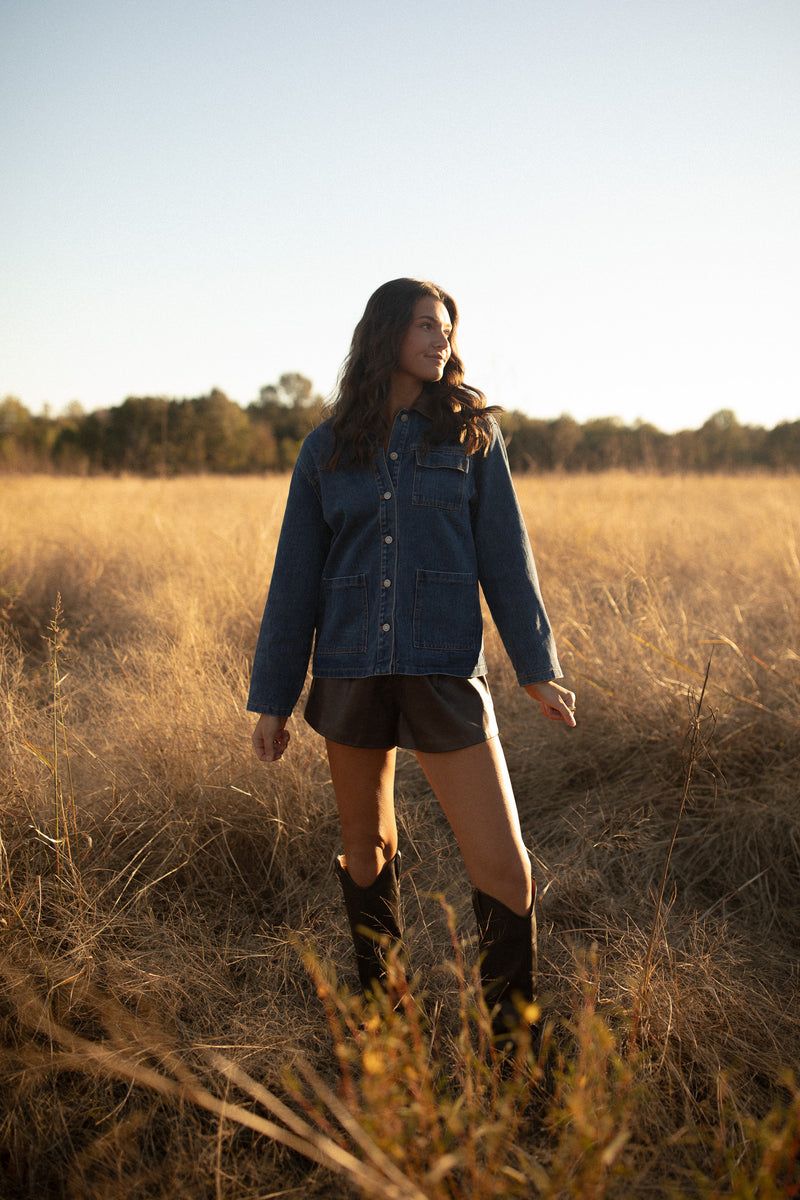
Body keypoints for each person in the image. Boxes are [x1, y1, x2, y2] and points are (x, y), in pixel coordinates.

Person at [248, 278, 576, 1042]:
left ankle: (512, 1050)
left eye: (450, 329)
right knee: (367, 850)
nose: (443, 340)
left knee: (507, 869)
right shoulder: (326, 449)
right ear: (388, 332)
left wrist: (535, 664)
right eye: (429, 325)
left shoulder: (470, 437)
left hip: (443, 669)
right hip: (351, 671)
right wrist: (272, 697)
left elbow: (507, 556)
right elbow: (295, 578)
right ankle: (382, 1025)